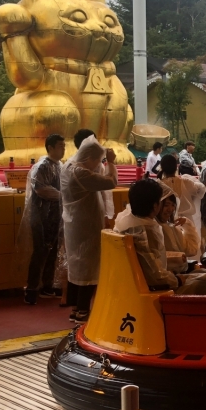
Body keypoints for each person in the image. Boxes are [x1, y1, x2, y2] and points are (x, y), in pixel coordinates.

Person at [62, 135, 118, 321]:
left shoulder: (68, 167)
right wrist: (111, 162)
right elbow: (111, 182)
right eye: (98, 161)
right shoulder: (81, 173)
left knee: (77, 266)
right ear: (90, 158)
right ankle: (83, 311)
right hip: (86, 226)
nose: (98, 165)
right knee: (89, 267)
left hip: (74, 225)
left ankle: (75, 308)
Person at [114, 178, 179, 290]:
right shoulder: (145, 231)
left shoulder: (124, 221)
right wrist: (178, 280)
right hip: (154, 289)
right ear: (155, 206)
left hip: (128, 286)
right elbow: (156, 276)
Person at [23, 133, 65, 305]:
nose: (63, 149)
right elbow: (41, 189)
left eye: (64, 146)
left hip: (56, 216)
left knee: (53, 251)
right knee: (40, 251)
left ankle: (47, 285)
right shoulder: (42, 166)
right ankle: (31, 288)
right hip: (41, 217)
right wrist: (63, 196)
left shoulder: (60, 166)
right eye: (60, 146)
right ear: (50, 148)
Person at [158, 153, 206, 240]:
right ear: (176, 167)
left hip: (167, 220)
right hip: (186, 221)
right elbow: (201, 190)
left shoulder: (159, 185)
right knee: (189, 245)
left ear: (162, 167)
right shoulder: (186, 182)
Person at [156, 185, 202, 266]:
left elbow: (191, 249)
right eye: (166, 205)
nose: (170, 209)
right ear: (156, 206)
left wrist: (187, 224)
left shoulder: (170, 228)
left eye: (173, 205)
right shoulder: (154, 227)